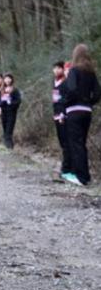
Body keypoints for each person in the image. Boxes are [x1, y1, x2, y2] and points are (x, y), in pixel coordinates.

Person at [62, 44, 101, 186]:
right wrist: (88, 102)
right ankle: (86, 176)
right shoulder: (91, 73)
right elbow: (98, 93)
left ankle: (81, 177)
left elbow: (71, 89)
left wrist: (65, 102)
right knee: (81, 143)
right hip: (87, 112)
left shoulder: (74, 70)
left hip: (74, 111)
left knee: (76, 144)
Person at [51, 61, 71, 177]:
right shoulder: (54, 82)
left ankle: (67, 168)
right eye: (55, 68)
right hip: (56, 114)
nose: (56, 70)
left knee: (66, 142)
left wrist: (63, 114)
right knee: (62, 142)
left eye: (59, 68)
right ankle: (65, 166)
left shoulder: (67, 82)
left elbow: (66, 99)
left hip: (64, 115)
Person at [0, 73, 21, 149]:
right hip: (4, 112)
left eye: (9, 78)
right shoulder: (2, 90)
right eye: (6, 78)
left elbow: (18, 101)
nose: (7, 80)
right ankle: (7, 145)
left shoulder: (15, 90)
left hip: (11, 113)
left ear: (12, 80)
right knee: (5, 129)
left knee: (9, 130)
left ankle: (9, 147)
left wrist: (10, 102)